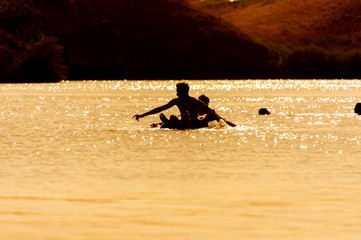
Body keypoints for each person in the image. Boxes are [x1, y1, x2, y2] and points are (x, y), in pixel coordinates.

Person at [133, 82, 220, 129]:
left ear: (183, 92)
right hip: (182, 122)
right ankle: (168, 122)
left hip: (194, 122)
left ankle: (176, 123)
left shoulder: (195, 101)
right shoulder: (176, 101)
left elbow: (211, 111)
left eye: (178, 91)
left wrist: (220, 122)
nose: (176, 93)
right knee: (173, 117)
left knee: (188, 116)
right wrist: (142, 115)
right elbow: (160, 108)